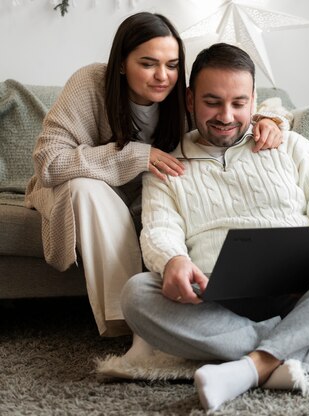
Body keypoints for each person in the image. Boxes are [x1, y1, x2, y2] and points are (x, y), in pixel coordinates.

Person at [120, 43, 309, 411]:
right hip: (220, 304)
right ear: (189, 99)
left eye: (239, 103)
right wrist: (173, 259)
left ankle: (255, 365)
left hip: (307, 289)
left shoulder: (291, 145)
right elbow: (159, 229)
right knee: (136, 294)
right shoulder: (166, 165)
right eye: (213, 102)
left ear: (255, 101)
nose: (226, 115)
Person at [24, 12, 286, 338]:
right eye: (148, 64)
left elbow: (225, 112)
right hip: (79, 191)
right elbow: (49, 162)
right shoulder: (89, 83)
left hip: (138, 197)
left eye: (172, 65)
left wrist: (268, 122)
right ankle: (126, 322)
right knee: (85, 188)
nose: (163, 76)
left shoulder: (180, 96)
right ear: (122, 63)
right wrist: (138, 155)